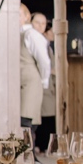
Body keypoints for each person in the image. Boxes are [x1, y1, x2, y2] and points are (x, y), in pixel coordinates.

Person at [19, 3, 50, 139]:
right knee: (20, 123)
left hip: (30, 82)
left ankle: (29, 157)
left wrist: (44, 81)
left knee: (27, 122)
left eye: (17, 14)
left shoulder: (31, 34)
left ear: (27, 16)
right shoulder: (19, 33)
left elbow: (44, 61)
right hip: (20, 83)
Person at [33, 11, 57, 151]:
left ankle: (45, 145)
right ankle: (42, 146)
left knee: (48, 114)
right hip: (44, 84)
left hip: (49, 84)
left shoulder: (47, 45)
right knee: (45, 115)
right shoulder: (39, 42)